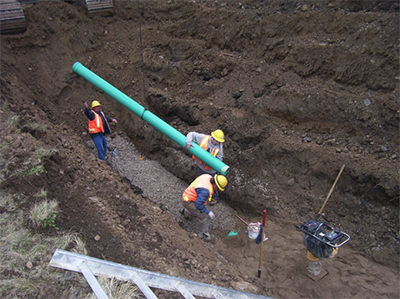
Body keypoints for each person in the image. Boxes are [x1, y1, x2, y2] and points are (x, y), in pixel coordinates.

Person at [181, 174, 228, 240]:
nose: (217, 190)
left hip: (188, 195)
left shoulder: (207, 176)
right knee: (204, 216)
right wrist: (207, 212)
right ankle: (202, 234)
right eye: (217, 188)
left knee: (196, 211)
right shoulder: (205, 191)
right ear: (215, 184)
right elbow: (198, 204)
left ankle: (186, 213)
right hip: (189, 202)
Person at [185, 130, 225, 204]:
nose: (217, 143)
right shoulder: (204, 138)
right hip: (200, 167)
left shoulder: (220, 148)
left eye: (219, 141)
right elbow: (191, 134)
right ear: (212, 138)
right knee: (199, 181)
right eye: (216, 141)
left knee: (213, 185)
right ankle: (198, 195)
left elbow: (220, 159)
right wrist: (188, 142)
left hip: (210, 170)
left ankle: (215, 197)